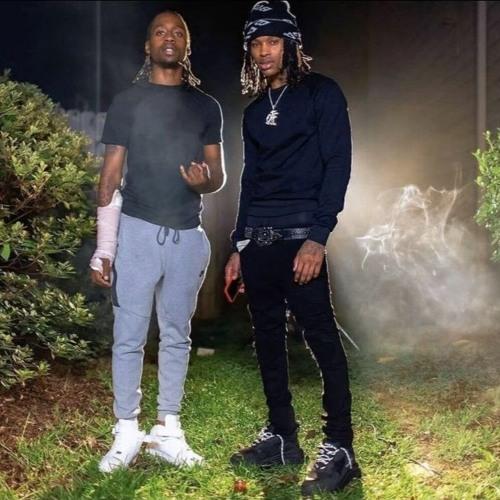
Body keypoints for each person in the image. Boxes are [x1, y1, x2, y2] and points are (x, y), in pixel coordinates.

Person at [224, 0, 360, 495]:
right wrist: (239, 245)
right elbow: (250, 180)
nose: (263, 51)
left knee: (320, 338)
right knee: (266, 339)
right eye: (256, 43)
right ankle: (282, 437)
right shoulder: (253, 112)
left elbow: (337, 165)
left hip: (302, 239)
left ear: (291, 44)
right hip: (259, 242)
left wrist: (318, 238)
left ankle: (340, 448)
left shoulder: (323, 93)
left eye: (272, 41)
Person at [90, 9, 225, 472]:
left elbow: (219, 176)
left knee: (176, 336)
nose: (169, 37)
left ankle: (168, 430)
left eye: (178, 32)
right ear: (148, 47)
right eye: (160, 32)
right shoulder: (128, 102)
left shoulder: (206, 107)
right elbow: (110, 177)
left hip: (187, 237)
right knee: (128, 336)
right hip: (138, 232)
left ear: (187, 45)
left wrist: (205, 181)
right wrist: (105, 247)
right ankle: (126, 431)